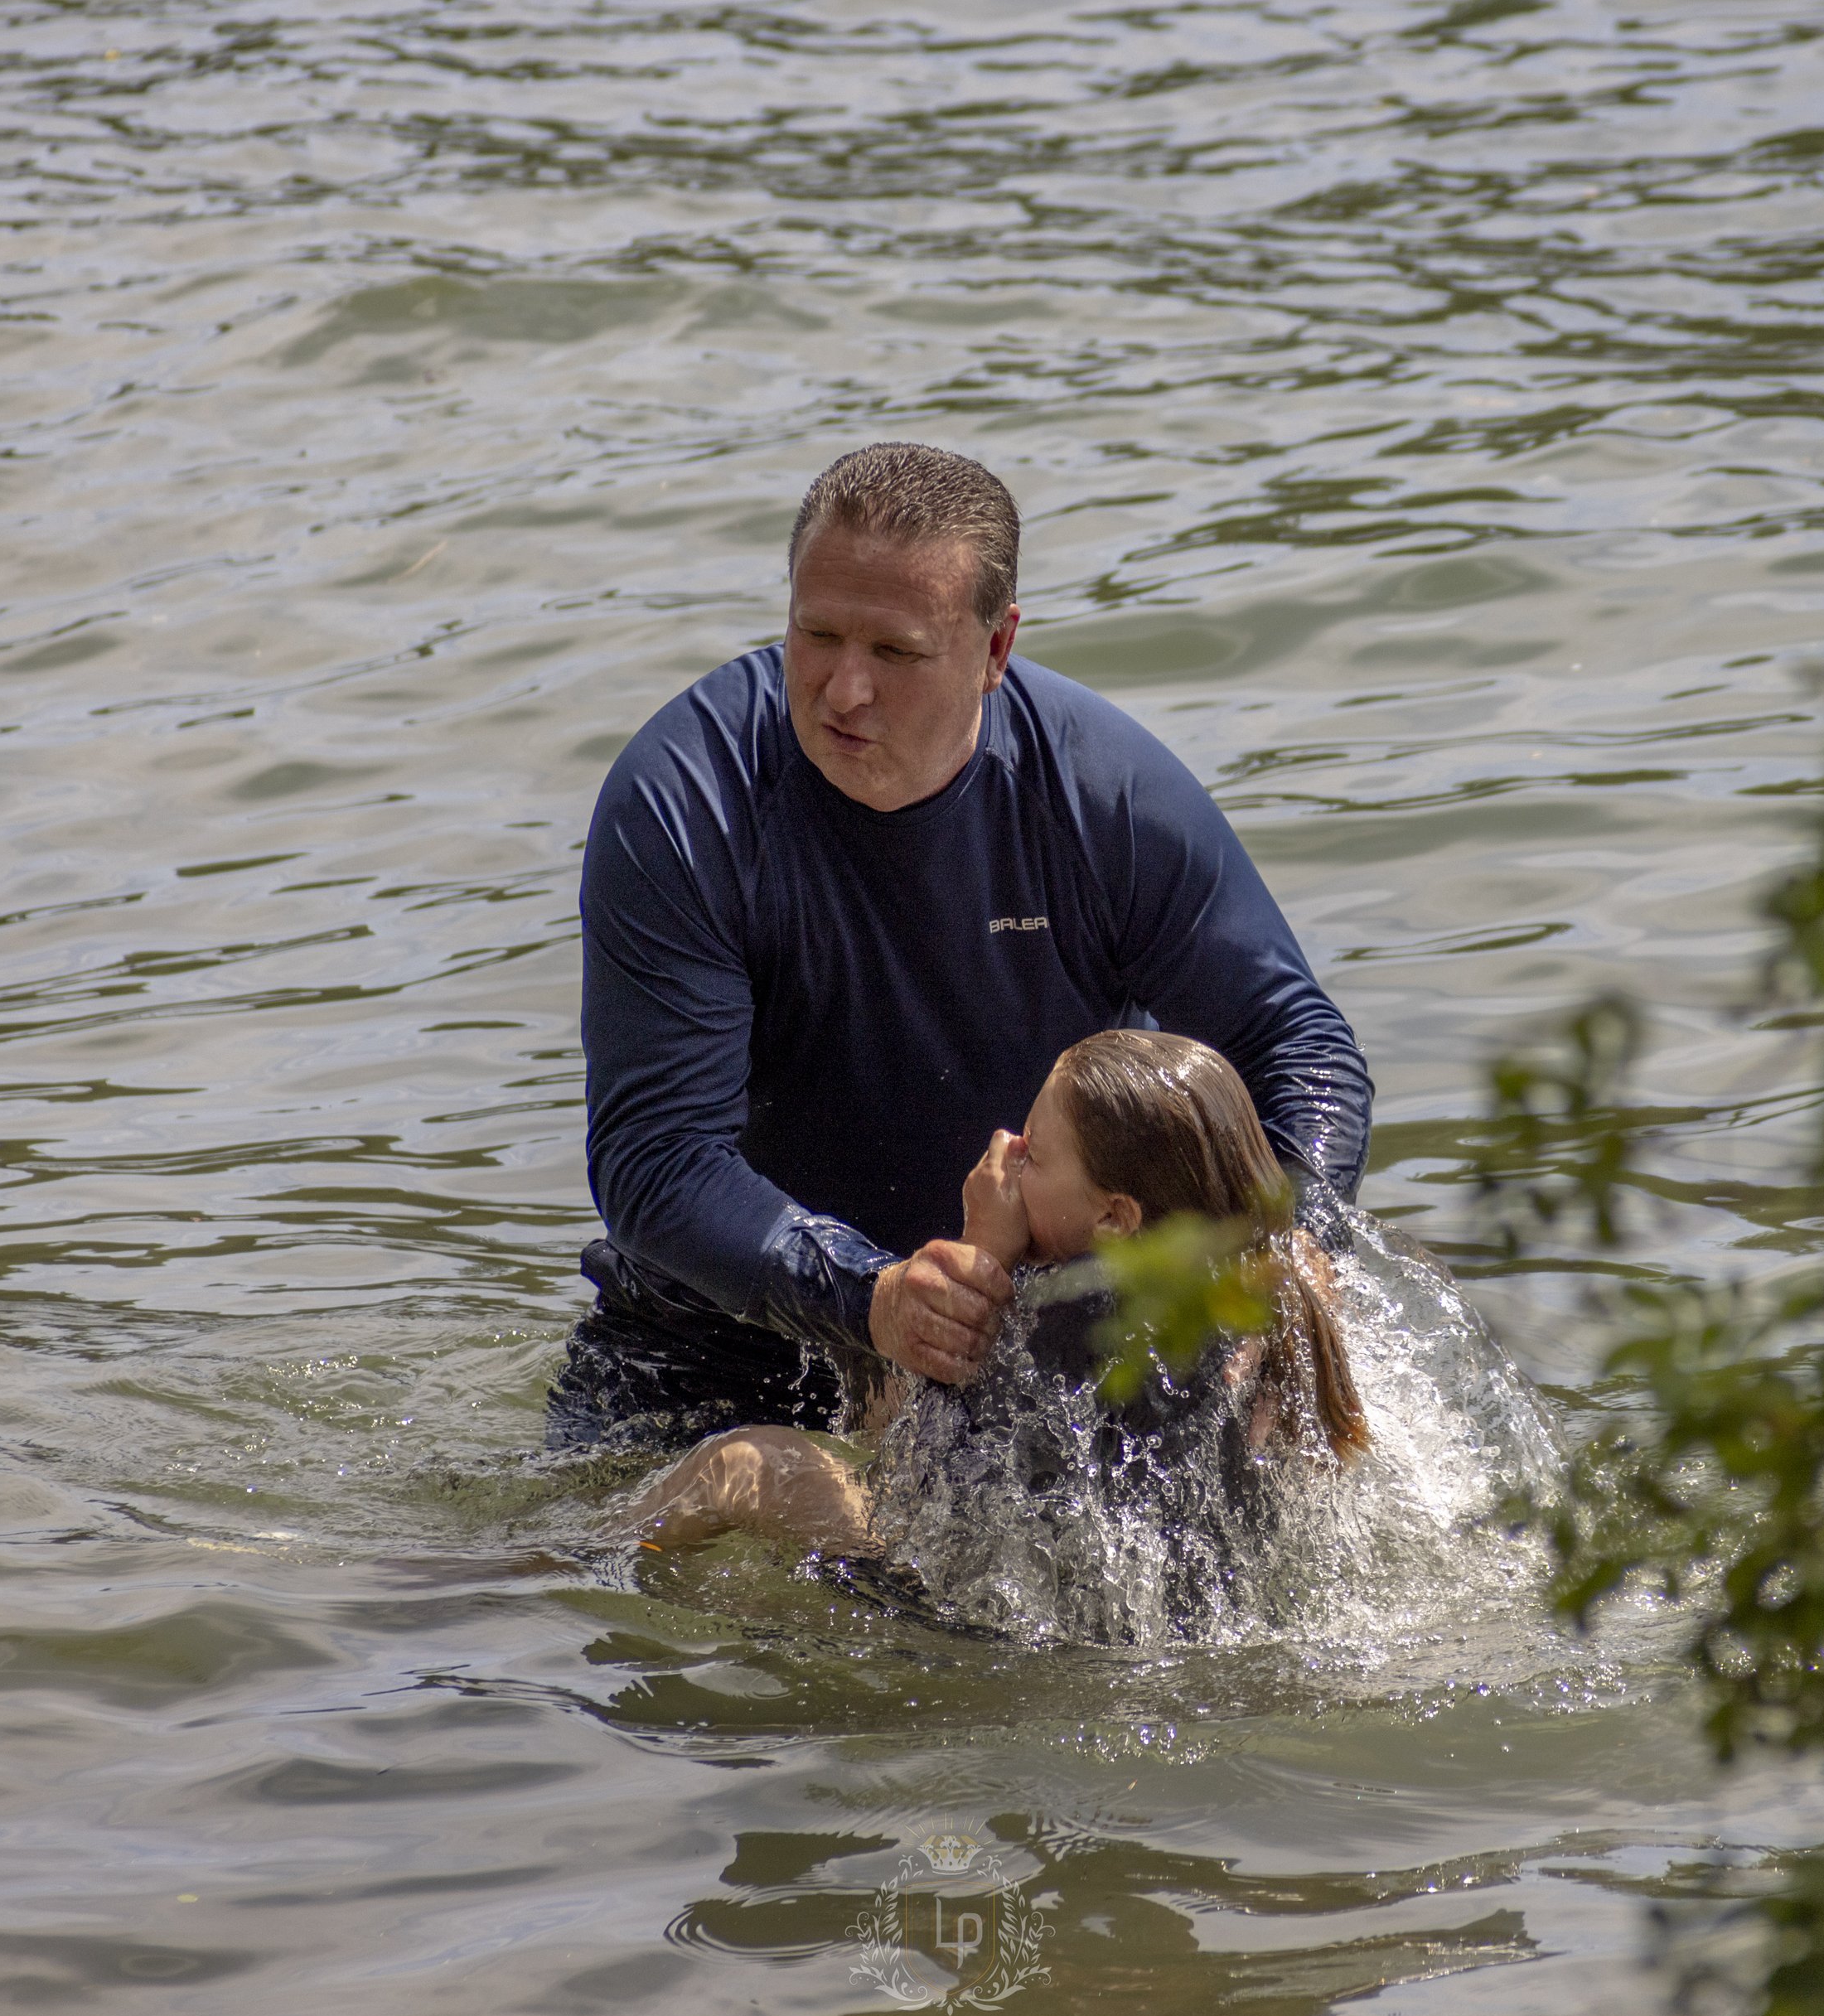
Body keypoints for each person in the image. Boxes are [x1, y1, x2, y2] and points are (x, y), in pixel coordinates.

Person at [549, 441, 1372, 1454]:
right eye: (816, 635)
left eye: (895, 653)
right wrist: (873, 1296)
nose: (844, 690)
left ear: (995, 650)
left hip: (1041, 1330)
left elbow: (1299, 1045)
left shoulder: (1104, 797)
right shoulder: (683, 802)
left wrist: (1292, 1237)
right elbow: (654, 1159)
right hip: (726, 1338)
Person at [605, 1031, 1367, 1562]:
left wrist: (982, 1254)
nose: (1003, 1148)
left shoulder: (1064, 1317)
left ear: (1113, 1216)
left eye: (1033, 1151)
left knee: (743, 1463)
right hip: (1184, 1593)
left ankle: (576, 1565)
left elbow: (921, 1467)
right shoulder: (1257, 1296)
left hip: (986, 1613)